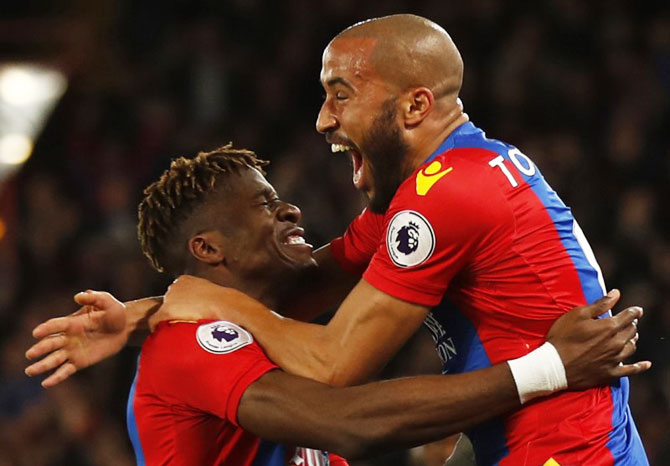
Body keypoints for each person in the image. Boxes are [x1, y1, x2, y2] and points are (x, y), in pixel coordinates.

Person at [27, 14, 649, 465]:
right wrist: (153, 312)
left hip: (566, 448)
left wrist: (210, 303)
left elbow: (334, 366)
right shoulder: (447, 178)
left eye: (340, 95)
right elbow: (319, 290)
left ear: (414, 107)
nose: (323, 119)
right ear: (209, 249)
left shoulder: (444, 196)